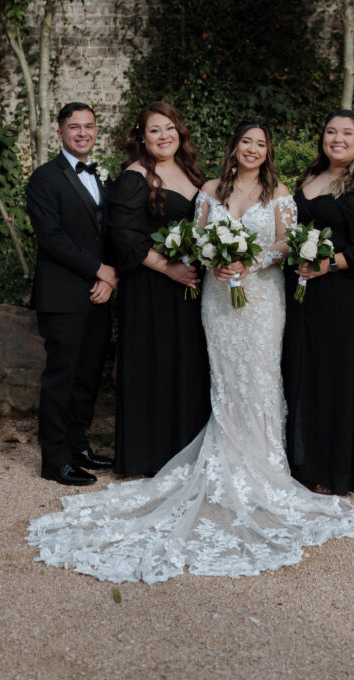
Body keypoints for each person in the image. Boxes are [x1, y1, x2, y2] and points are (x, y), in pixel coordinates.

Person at [27, 118, 354, 584]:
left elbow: (286, 243)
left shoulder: (280, 191)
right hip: (218, 299)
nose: (252, 149)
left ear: (268, 152)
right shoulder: (209, 187)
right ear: (234, 147)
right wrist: (217, 260)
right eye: (245, 141)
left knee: (262, 376)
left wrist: (253, 259)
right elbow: (200, 239)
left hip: (263, 299)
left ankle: (264, 468)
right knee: (224, 378)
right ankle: (221, 460)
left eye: (260, 144)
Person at [282, 110, 354, 497]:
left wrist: (327, 264)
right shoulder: (310, 180)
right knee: (306, 371)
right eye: (331, 131)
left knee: (337, 374)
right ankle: (305, 459)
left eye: (347, 133)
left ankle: (335, 467)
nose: (338, 138)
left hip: (348, 297)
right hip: (305, 296)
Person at [107, 102, 210, 477]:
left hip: (190, 287)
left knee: (186, 366)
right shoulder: (135, 177)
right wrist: (170, 269)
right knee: (154, 363)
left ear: (180, 133)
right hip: (151, 288)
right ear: (142, 137)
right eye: (154, 130)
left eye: (169, 128)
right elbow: (123, 237)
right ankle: (147, 456)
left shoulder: (192, 174)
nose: (163, 135)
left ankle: (183, 451)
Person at [26, 102, 118, 486]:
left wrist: (108, 279)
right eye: (74, 127)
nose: (83, 133)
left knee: (88, 376)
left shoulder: (103, 176)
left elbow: (110, 233)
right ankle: (54, 458)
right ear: (60, 133)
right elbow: (52, 239)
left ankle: (78, 445)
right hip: (63, 296)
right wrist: (99, 269)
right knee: (61, 377)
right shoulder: (44, 178)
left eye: (89, 126)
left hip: (99, 294)